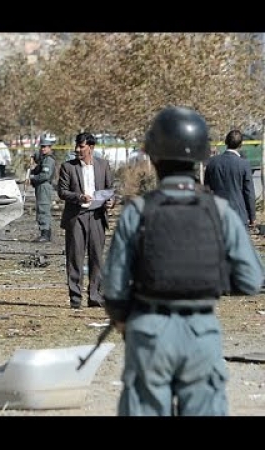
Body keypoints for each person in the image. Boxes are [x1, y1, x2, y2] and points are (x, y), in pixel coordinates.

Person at [102, 106, 264, 416]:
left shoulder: (137, 212)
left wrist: (127, 322)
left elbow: (114, 287)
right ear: (200, 158)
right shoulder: (219, 212)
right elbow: (251, 279)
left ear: (154, 158)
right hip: (202, 333)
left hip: (148, 331)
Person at [57, 132, 114, 308]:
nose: (77, 150)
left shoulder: (103, 165)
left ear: (91, 147)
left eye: (81, 146)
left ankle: (95, 296)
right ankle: (75, 298)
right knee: (75, 257)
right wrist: (79, 197)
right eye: (77, 146)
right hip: (76, 217)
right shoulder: (68, 167)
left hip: (97, 217)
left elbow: (110, 189)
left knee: (97, 258)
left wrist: (111, 202)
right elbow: (62, 191)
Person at [203, 129, 256, 228]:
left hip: (218, 213)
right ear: (241, 145)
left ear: (226, 142)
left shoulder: (212, 162)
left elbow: (206, 189)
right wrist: (252, 216)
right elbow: (249, 192)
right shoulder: (244, 164)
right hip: (239, 215)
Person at [29, 133, 57, 242]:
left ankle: (45, 234)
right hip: (41, 186)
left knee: (43, 209)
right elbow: (37, 157)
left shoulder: (49, 160)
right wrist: (33, 156)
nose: (43, 149)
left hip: (44, 186)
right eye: (42, 146)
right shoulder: (44, 158)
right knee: (41, 208)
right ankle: (45, 232)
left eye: (45, 147)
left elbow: (45, 175)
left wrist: (33, 177)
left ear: (50, 147)